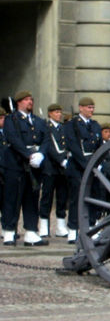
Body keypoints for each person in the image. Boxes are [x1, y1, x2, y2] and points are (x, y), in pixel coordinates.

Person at [2, 91, 48, 247]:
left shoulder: (38, 121)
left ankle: (30, 231)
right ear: (19, 102)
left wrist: (41, 154)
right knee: (12, 198)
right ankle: (9, 230)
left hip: (35, 165)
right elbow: (13, 139)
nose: (30, 102)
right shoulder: (11, 119)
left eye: (31, 99)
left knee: (32, 198)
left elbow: (46, 139)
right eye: (27, 99)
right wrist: (29, 155)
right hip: (16, 164)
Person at [62, 97, 102, 244]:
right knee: (76, 198)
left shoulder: (95, 126)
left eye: (92, 107)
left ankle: (91, 226)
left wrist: (98, 162)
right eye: (88, 107)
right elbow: (73, 147)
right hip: (78, 166)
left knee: (93, 197)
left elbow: (99, 146)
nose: (91, 110)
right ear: (81, 108)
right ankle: (73, 229)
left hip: (93, 165)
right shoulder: (71, 125)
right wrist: (86, 164)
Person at [38, 103, 69, 238]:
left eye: (59, 112)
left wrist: (65, 158)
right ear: (50, 113)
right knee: (47, 197)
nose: (59, 114)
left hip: (62, 169)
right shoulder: (47, 127)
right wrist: (60, 159)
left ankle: (60, 226)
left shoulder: (63, 128)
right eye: (56, 112)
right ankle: (44, 225)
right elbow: (49, 147)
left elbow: (67, 144)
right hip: (50, 167)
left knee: (62, 197)